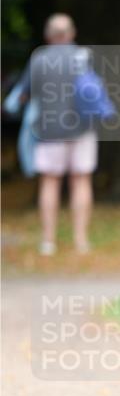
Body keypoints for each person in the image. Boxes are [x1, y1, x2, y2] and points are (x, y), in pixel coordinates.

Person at [4, 14, 97, 255]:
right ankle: (80, 241)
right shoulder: (83, 57)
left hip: (48, 130)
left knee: (50, 182)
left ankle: (48, 241)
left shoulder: (39, 60)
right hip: (82, 128)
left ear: (48, 35)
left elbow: (23, 95)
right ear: (71, 33)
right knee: (81, 181)